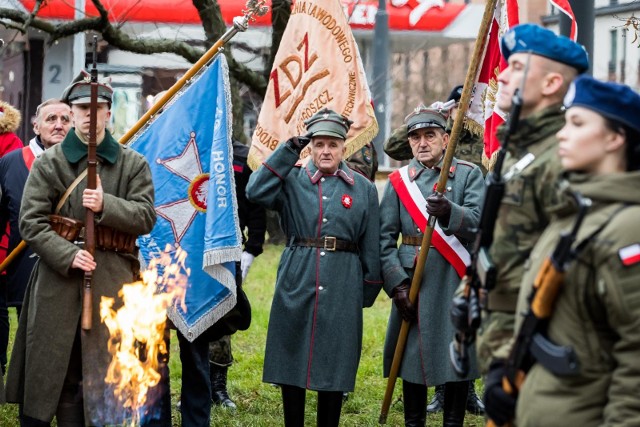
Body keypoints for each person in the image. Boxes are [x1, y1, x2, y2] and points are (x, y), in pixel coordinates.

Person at [485, 76, 640, 426]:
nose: (561, 134)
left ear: (615, 138)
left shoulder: (628, 226)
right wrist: (508, 368)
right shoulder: (575, 214)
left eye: (578, 123)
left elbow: (635, 363)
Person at [5, 71, 156, 426]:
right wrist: (68, 254)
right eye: (81, 107)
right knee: (55, 371)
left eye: (98, 107)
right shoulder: (50, 163)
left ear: (108, 112)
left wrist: (107, 205)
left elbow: (146, 216)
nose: (90, 114)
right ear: (72, 113)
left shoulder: (132, 164)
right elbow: (31, 222)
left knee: (106, 376)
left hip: (113, 281)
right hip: (57, 283)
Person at [246, 108, 382, 427]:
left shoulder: (363, 189)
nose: (325, 151)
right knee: (291, 353)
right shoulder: (292, 178)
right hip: (297, 271)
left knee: (334, 361)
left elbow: (371, 246)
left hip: (343, 279)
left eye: (332, 144)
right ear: (310, 147)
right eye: (318, 143)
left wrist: (365, 292)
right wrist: (288, 148)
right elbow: (255, 190)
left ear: (343, 148)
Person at [475, 23, 589, 377]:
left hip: (535, 338)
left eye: (518, 67)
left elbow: (576, 264)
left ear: (552, 83)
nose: (503, 76)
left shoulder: (560, 157)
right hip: (500, 329)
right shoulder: (516, 149)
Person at [379, 103, 485, 427]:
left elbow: (481, 222)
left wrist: (451, 211)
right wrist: (397, 284)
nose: (422, 143)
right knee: (411, 356)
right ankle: (414, 422)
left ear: (445, 138)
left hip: (455, 279)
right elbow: (383, 241)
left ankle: (453, 421)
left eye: (430, 135)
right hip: (415, 283)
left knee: (455, 356)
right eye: (415, 137)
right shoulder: (399, 182)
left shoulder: (468, 174)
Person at [0, 99, 72, 376]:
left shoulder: (84, 163)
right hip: (22, 261)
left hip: (68, 261)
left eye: (65, 120)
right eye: (51, 119)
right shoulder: (10, 162)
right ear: (36, 125)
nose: (58, 125)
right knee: (26, 327)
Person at [207, 140, 267, 410]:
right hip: (190, 248)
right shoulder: (189, 146)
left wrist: (253, 248)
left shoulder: (244, 156)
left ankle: (217, 385)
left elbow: (255, 205)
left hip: (228, 249)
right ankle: (193, 386)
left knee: (223, 317)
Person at [384, 84, 487, 176]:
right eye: (458, 106)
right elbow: (391, 148)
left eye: (470, 107)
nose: (464, 112)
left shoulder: (486, 139)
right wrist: (424, 117)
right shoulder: (436, 133)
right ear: (450, 110)